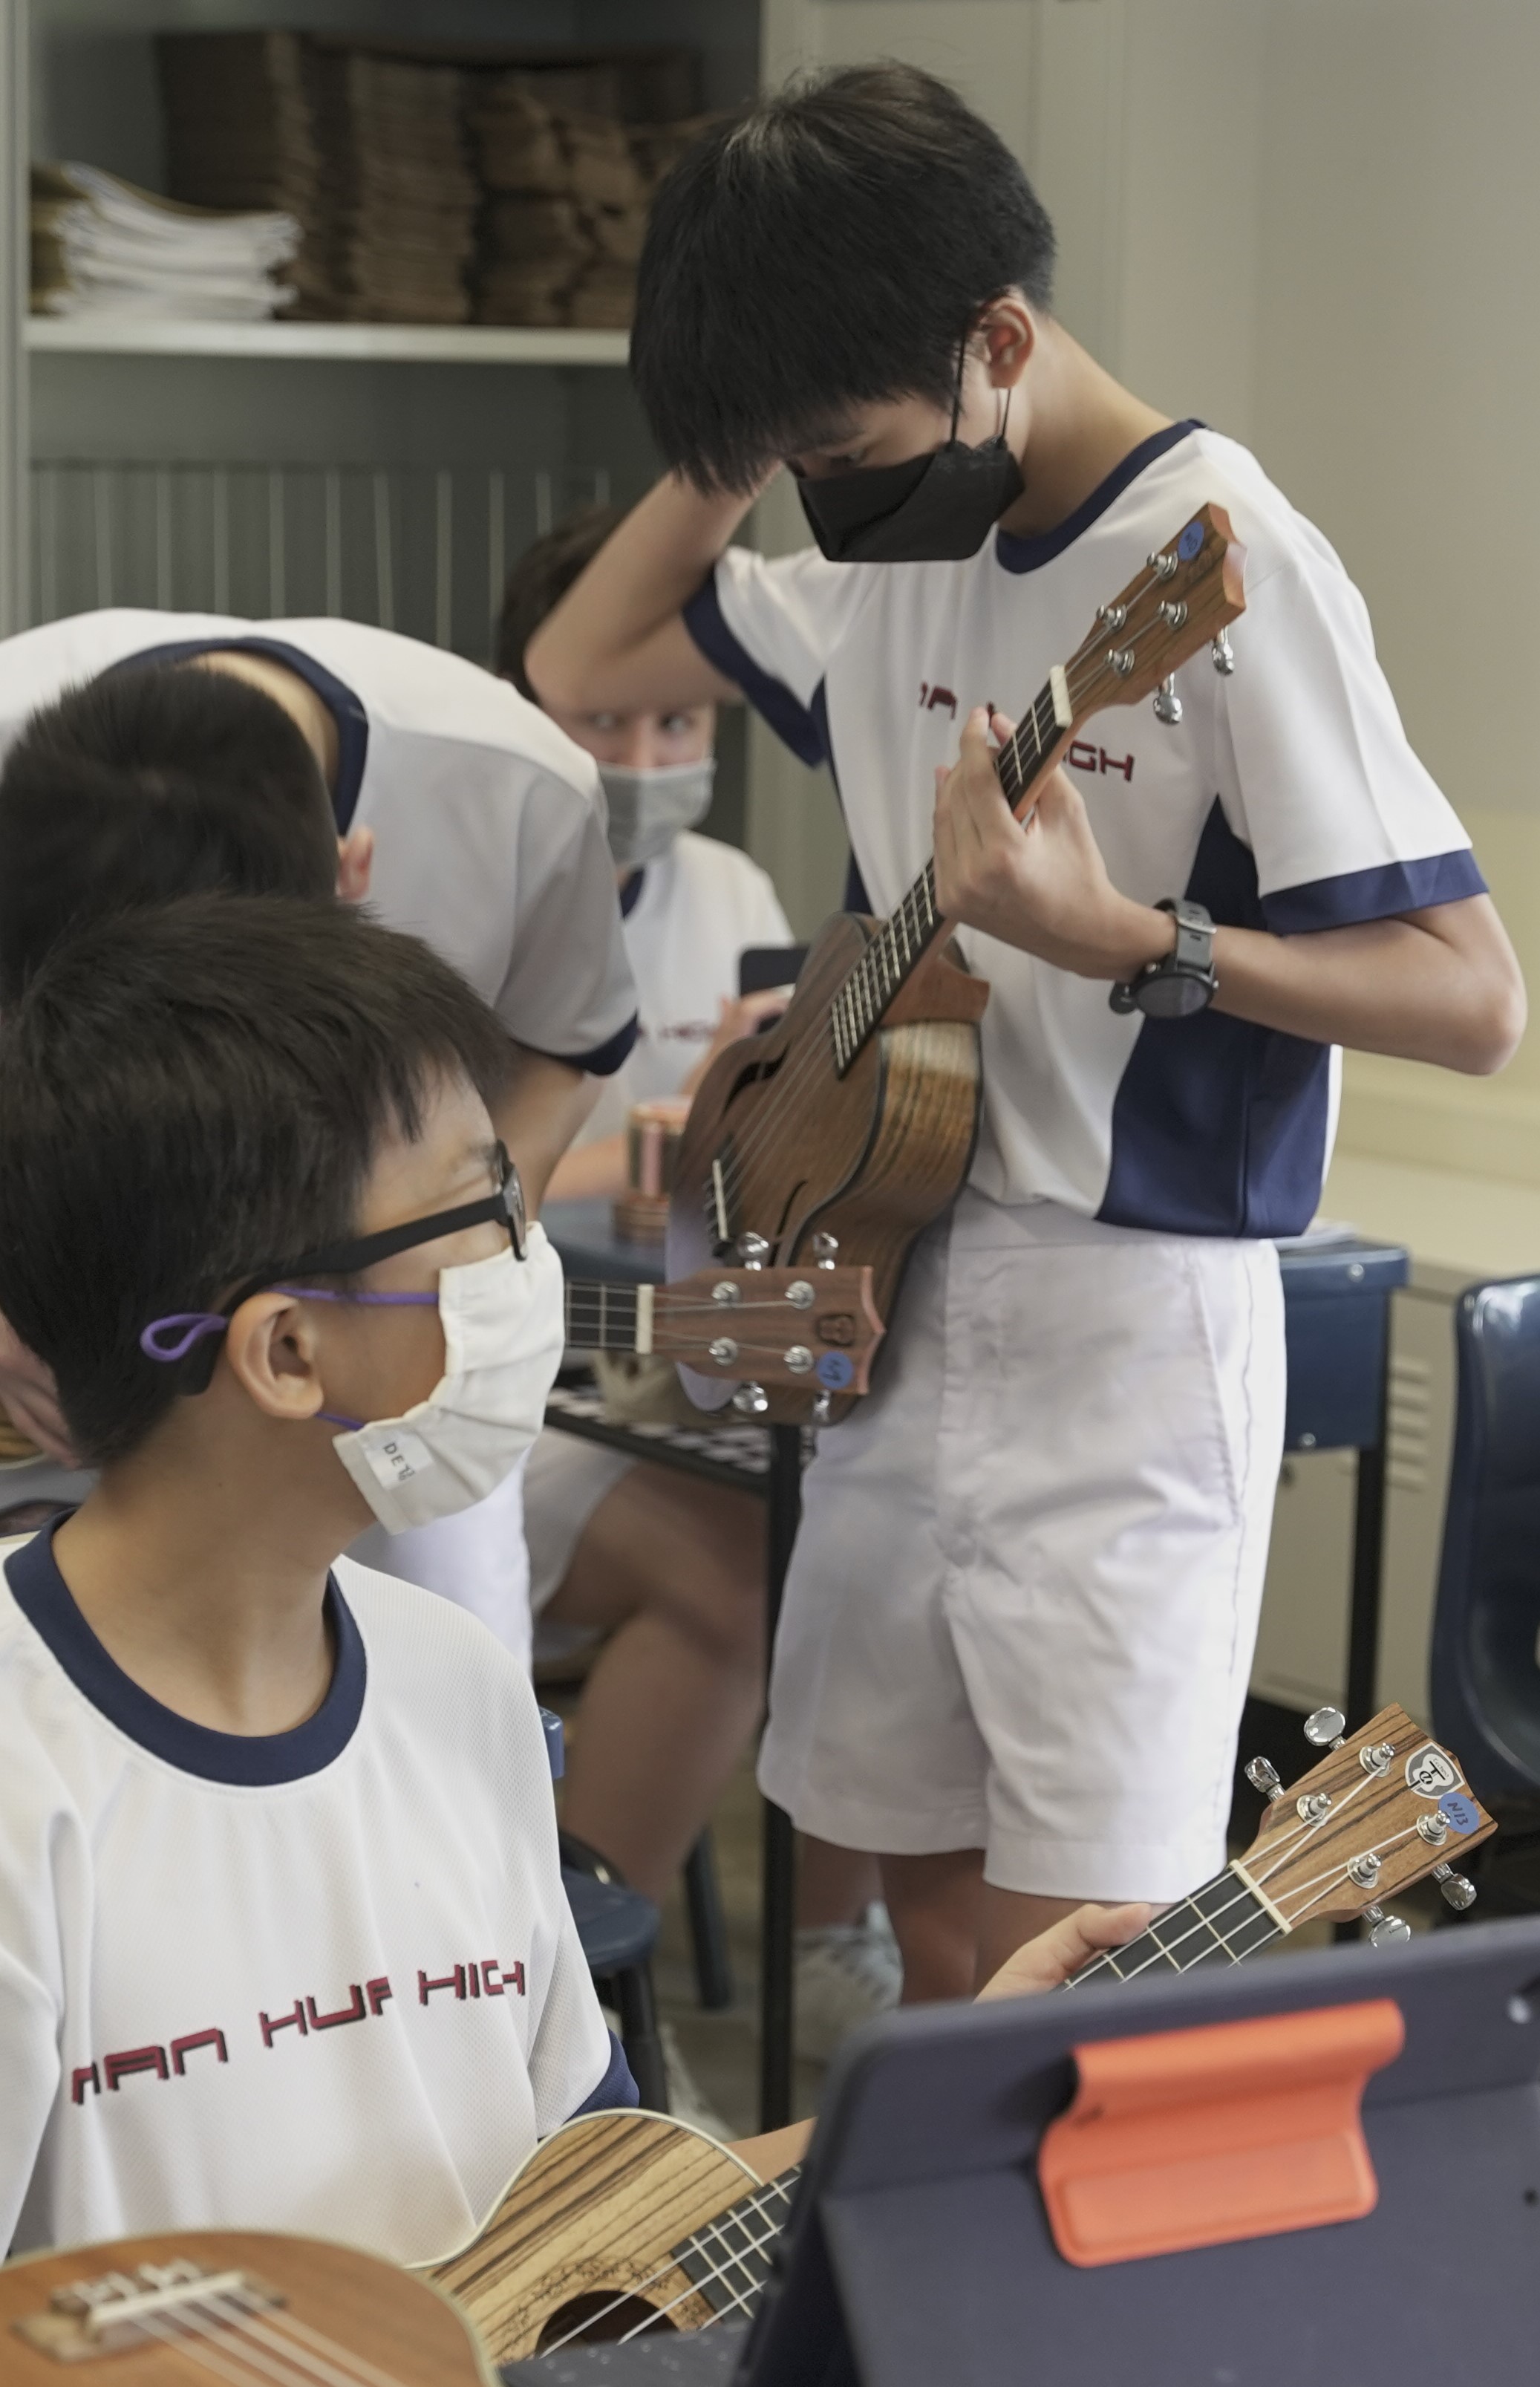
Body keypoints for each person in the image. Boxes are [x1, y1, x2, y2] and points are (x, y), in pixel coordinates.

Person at [0, 899, 1147, 2384]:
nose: (528, 1263)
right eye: (481, 1210)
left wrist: (943, 2092)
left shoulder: (453, 1689)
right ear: (287, 1350)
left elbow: (594, 2239)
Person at [528, 65, 1526, 2002]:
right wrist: (739, 429)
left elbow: (1471, 996)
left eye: (842, 437)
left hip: (1127, 1334)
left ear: (996, 339)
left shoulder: (1223, 553)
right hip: (885, 1271)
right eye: (791, 456)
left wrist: (1125, 937)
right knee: (909, 1891)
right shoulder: (889, 549)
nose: (827, 491)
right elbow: (579, 660)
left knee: (1072, 1954)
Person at [0, 611, 642, 1659]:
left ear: (352, 877)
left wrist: (426, 1278)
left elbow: (573, 1036)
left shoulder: (512, 789)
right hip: (42, 1335)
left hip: (372, 1364)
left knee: (436, 1698)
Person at [492, 509, 901, 2059]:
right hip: (492, 1393)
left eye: (681, 718)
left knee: (865, 1509)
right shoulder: (453, 901)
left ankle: (838, 1933)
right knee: (733, 1568)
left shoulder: (728, 891)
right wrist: (622, 1174)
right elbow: (421, 1208)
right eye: (607, 716)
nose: (648, 752)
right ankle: (592, 2019)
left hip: (667, 1359)